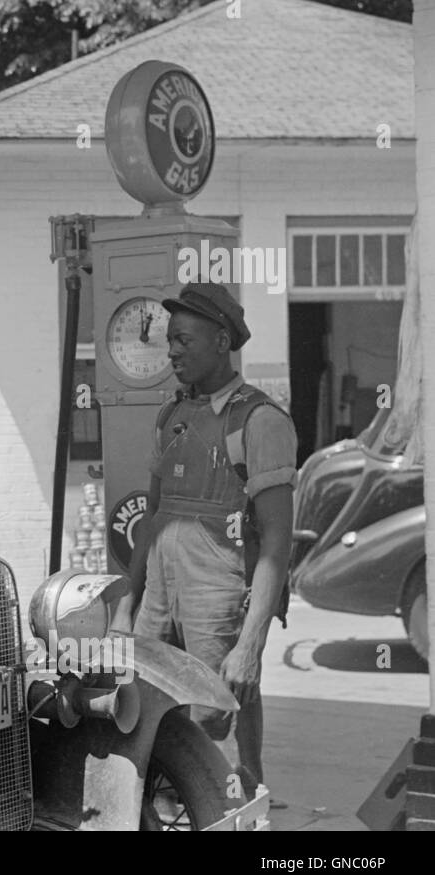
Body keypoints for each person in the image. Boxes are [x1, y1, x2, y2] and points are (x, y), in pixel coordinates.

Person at [108, 282, 296, 799]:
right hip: (159, 593)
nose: (172, 351)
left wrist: (251, 644)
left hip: (219, 585)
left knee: (216, 712)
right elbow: (152, 516)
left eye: (184, 340)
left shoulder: (260, 421)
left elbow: (277, 543)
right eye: (170, 340)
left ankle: (244, 783)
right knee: (144, 702)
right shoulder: (171, 416)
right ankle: (177, 799)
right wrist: (128, 602)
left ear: (220, 341)